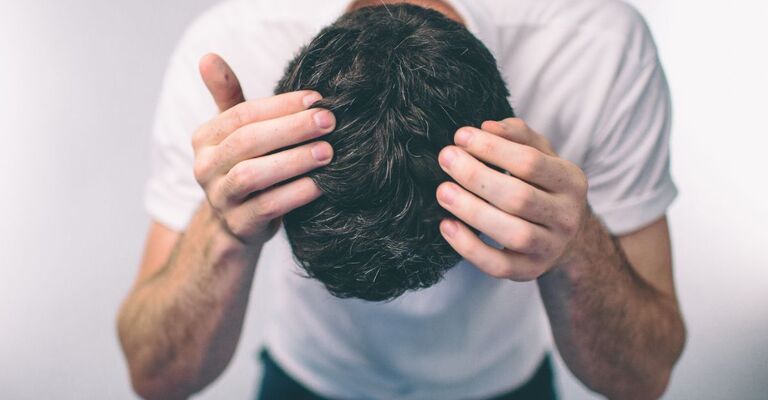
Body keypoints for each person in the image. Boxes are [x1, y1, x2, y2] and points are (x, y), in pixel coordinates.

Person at [117, 0, 686, 399]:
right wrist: (224, 227)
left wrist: (575, 242)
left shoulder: (599, 51)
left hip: (505, 382)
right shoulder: (233, 46)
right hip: (308, 377)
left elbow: (643, 381)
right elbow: (155, 376)